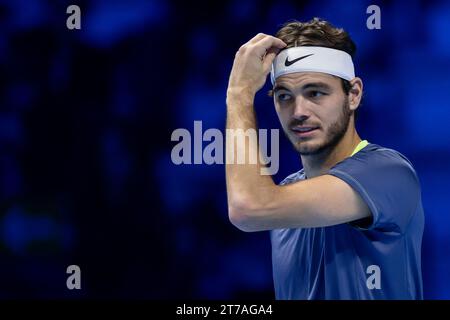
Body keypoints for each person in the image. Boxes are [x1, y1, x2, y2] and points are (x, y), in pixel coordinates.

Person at [225, 18, 424, 300]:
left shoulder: (389, 172)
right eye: (284, 96)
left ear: (353, 94)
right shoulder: (282, 196)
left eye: (315, 92)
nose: (298, 112)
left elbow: (247, 207)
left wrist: (239, 94)